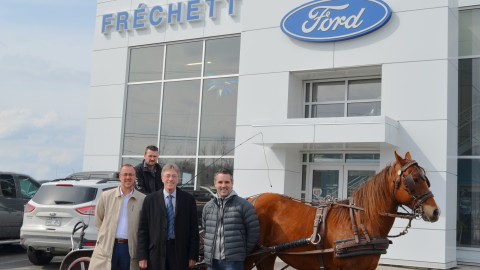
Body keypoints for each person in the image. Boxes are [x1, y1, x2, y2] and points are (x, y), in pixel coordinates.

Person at [137, 163, 199, 270]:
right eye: (167, 176)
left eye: (174, 176)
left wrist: (193, 256)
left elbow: (194, 230)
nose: (170, 179)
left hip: (180, 253)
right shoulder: (150, 200)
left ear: (178, 179)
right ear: (162, 178)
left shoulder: (188, 200)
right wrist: (142, 256)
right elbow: (143, 230)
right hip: (156, 253)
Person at [89, 164, 146, 270]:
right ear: (120, 176)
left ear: (135, 177)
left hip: (129, 248)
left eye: (131, 175)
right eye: (125, 174)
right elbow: (98, 220)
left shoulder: (143, 199)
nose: (128, 177)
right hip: (108, 247)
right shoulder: (106, 196)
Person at [202, 168, 260, 270]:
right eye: (220, 182)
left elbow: (254, 231)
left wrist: (242, 252)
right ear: (215, 184)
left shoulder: (244, 206)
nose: (223, 185)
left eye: (227, 182)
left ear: (232, 183)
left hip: (233, 263)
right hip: (212, 262)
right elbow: (206, 229)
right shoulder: (208, 207)